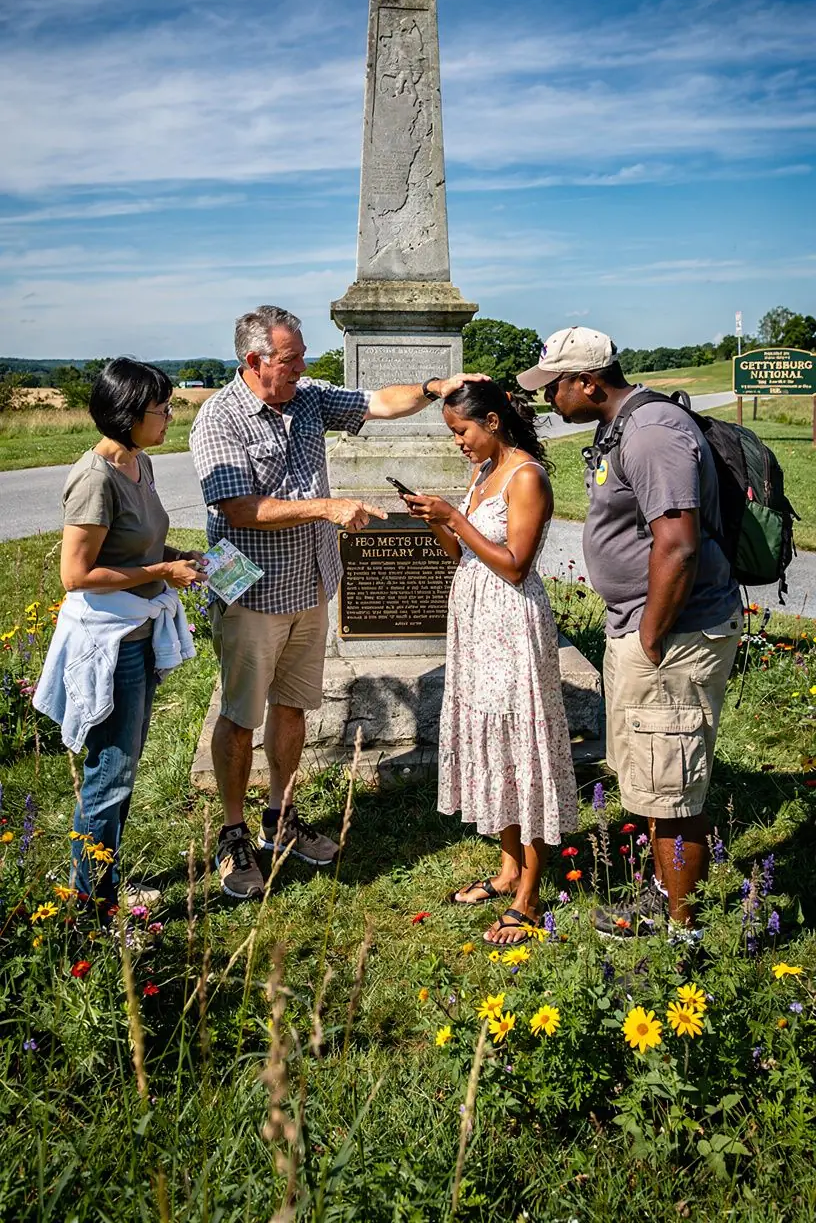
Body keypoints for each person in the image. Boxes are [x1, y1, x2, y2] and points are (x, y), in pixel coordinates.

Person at [190, 304, 486, 900]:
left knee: (293, 707)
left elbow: (377, 402)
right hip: (248, 587)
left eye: (301, 355)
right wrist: (328, 507)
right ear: (255, 361)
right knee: (240, 714)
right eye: (291, 358)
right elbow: (238, 509)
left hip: (307, 583)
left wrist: (436, 386)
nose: (303, 366)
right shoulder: (218, 419)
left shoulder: (306, 397)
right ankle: (232, 833)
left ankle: (282, 819)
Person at [518, 327, 742, 941]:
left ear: (588, 382)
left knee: (671, 791)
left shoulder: (651, 435)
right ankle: (658, 900)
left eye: (553, 387)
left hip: (673, 638)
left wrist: (650, 637)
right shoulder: (620, 428)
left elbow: (678, 544)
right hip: (646, 632)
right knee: (647, 777)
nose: (547, 399)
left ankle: (680, 936)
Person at [404, 380, 579, 946]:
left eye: (462, 432)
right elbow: (460, 553)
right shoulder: (483, 472)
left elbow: (515, 565)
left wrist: (456, 519)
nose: (459, 442)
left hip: (511, 622)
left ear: (494, 422)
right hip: (477, 623)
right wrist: (439, 520)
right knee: (491, 738)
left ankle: (529, 896)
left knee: (520, 741)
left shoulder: (527, 476)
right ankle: (508, 870)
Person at [34, 359, 205, 912]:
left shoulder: (140, 464)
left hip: (135, 632)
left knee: (122, 767)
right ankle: (93, 904)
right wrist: (160, 574)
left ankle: (100, 883)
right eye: (162, 408)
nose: (170, 416)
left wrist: (177, 557)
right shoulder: (94, 477)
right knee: (110, 774)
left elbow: (137, 545)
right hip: (109, 642)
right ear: (130, 414)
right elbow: (76, 575)